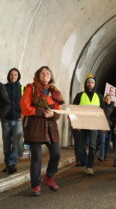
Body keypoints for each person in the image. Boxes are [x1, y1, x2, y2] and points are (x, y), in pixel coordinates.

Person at [20, 66, 64, 196]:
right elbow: (25, 107)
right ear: (38, 75)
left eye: (48, 73)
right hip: (35, 126)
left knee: (56, 154)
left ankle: (49, 177)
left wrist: (53, 115)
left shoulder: (54, 91)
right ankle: (36, 186)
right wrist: (40, 112)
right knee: (37, 157)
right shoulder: (31, 88)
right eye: (43, 73)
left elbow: (58, 110)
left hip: (51, 128)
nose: (46, 74)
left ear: (51, 76)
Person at [72, 74, 104, 175]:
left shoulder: (99, 96)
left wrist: (102, 125)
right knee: (81, 147)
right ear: (86, 84)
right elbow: (72, 110)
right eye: (88, 82)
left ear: (94, 84)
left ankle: (89, 166)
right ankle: (85, 163)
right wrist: (75, 123)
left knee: (92, 146)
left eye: (92, 82)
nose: (90, 84)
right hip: (81, 125)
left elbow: (103, 112)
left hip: (94, 125)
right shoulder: (79, 95)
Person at [2, 68, 24, 174]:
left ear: (18, 76)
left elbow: (25, 104)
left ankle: (12, 163)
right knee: (6, 144)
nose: (13, 76)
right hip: (5, 120)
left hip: (18, 120)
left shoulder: (22, 88)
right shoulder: (4, 87)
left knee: (16, 143)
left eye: (15, 74)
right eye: (11, 74)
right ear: (8, 76)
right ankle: (8, 164)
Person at [98, 94, 114, 162]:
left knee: (107, 142)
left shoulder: (113, 107)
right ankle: (101, 155)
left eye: (109, 98)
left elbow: (114, 117)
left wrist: (113, 124)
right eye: (106, 98)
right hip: (102, 126)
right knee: (102, 141)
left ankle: (105, 156)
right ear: (104, 99)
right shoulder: (101, 107)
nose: (108, 100)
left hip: (110, 127)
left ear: (111, 100)